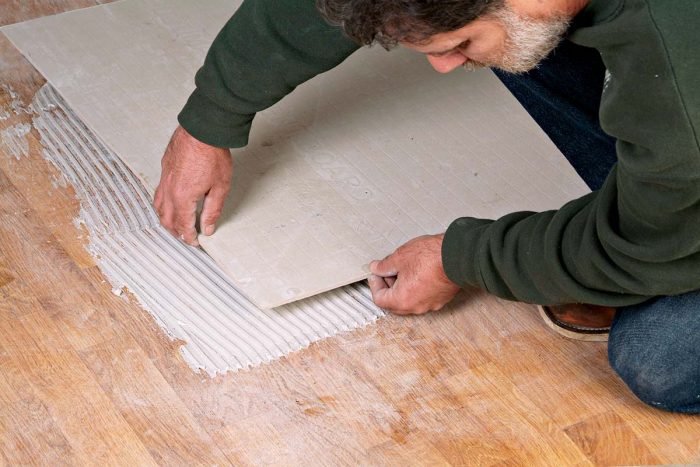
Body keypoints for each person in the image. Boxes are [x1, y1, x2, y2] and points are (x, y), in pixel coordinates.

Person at [154, 0, 700, 413]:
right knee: (518, 48)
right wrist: (210, 119)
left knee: (661, 358)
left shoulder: (681, 62)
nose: (443, 66)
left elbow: (640, 248)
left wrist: (460, 256)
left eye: (457, 42)